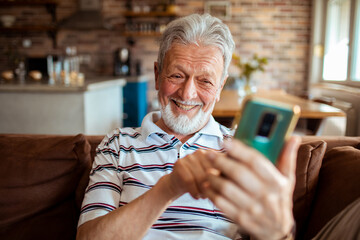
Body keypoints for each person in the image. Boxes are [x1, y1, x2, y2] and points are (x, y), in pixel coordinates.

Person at [76, 13, 300, 240]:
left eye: (205, 81)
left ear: (220, 87)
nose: (187, 93)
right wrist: (169, 188)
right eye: (176, 75)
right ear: (157, 75)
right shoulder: (117, 144)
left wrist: (279, 233)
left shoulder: (242, 152)